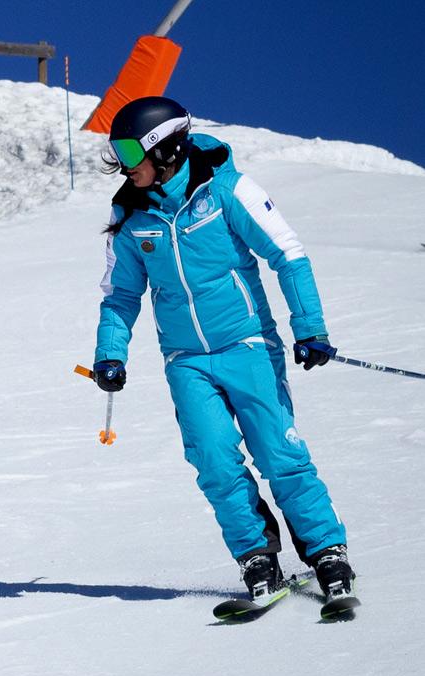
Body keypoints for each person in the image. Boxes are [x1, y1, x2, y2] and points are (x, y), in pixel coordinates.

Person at [91, 95, 354, 607]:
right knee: (212, 458)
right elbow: (120, 295)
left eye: (130, 150)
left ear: (165, 148)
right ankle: (256, 556)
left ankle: (326, 551)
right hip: (186, 361)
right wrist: (110, 352)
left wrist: (310, 327)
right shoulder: (131, 216)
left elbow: (289, 255)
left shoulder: (227, 190)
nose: (123, 163)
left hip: (247, 344)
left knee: (279, 453)